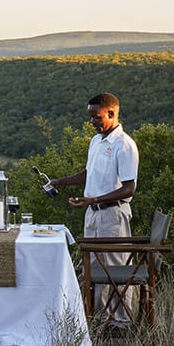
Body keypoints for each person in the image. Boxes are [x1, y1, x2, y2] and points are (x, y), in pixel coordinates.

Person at [49, 92, 139, 329]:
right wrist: (59, 182)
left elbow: (129, 188)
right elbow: (89, 173)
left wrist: (95, 199)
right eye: (90, 117)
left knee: (114, 268)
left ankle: (121, 322)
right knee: (94, 267)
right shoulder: (96, 142)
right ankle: (99, 320)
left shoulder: (124, 145)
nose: (92, 122)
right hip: (93, 213)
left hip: (113, 214)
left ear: (111, 113)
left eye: (96, 117)